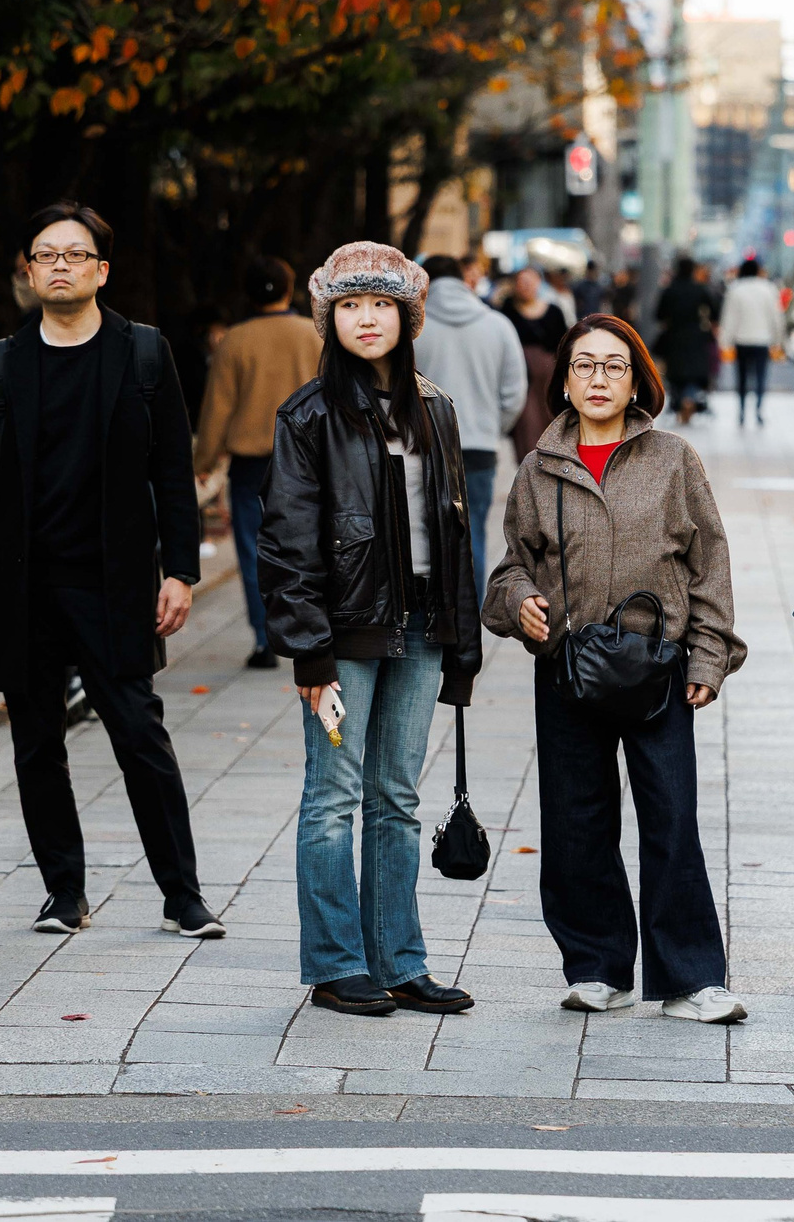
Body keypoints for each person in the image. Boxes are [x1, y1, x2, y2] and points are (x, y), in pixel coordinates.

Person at [0, 202, 224, 942]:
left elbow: (172, 469)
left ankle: (182, 895)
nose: (59, 265)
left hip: (115, 581)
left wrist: (182, 570)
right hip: (20, 585)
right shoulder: (0, 364)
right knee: (36, 744)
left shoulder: (144, 353)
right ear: (28, 272)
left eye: (75, 254)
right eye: (45, 255)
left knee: (140, 735)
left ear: (102, 270)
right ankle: (63, 893)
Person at [485, 313, 747, 1022]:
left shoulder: (671, 458)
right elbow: (511, 565)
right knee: (576, 821)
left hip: (655, 669)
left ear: (636, 379)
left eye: (614, 366)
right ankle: (598, 967)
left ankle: (692, 978)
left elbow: (709, 563)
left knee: (671, 816)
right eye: (585, 366)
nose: (598, 379)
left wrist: (709, 654)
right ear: (564, 380)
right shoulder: (540, 468)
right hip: (568, 667)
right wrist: (519, 603)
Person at [260, 243, 483, 1017]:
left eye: (380, 305)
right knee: (333, 797)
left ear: (406, 317)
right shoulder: (309, 415)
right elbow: (287, 542)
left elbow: (456, 532)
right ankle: (333, 964)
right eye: (350, 306)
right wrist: (308, 649)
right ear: (330, 318)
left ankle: (399, 960)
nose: (365, 318)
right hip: (344, 639)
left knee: (396, 796)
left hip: (422, 630)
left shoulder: (438, 409)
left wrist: (464, 644)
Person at [193, 255, 324, 670]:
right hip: (311, 457)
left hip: (252, 464)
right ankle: (316, 631)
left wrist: (205, 458)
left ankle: (266, 639)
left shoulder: (235, 339)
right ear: (291, 289)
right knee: (314, 543)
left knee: (254, 551)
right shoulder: (315, 334)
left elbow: (218, 407)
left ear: (247, 292)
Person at [418, 254, 527, 579]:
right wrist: (492, 427)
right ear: (464, 281)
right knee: (474, 534)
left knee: (425, 540)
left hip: (426, 446)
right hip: (480, 447)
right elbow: (514, 392)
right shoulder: (498, 325)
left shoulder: (411, 330)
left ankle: (433, 624)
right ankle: (469, 627)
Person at [500, 265, 564, 459]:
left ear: (539, 283)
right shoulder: (507, 311)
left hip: (548, 381)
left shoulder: (553, 311)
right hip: (521, 379)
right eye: (521, 282)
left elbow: (563, 346)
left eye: (530, 281)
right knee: (527, 428)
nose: (526, 286)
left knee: (550, 424)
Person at [718, 258, 785, 426]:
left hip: (742, 341)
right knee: (761, 377)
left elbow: (729, 318)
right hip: (762, 341)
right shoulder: (769, 288)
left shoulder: (735, 289)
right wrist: (778, 339)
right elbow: (776, 317)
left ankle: (741, 411)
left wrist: (725, 341)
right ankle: (758, 410)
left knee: (741, 378)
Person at [653, 257, 718, 423]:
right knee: (694, 371)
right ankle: (689, 398)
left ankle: (679, 401)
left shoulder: (670, 290)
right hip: (696, 336)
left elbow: (658, 314)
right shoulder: (700, 289)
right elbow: (715, 311)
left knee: (675, 372)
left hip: (674, 336)